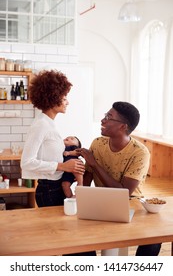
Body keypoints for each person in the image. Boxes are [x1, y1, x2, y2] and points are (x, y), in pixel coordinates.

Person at [77, 101, 161, 256]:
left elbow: (124, 193)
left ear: (123, 126)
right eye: (105, 115)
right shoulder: (97, 143)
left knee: (154, 240)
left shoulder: (140, 153)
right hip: (101, 203)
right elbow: (86, 181)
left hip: (132, 205)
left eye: (109, 117)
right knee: (75, 242)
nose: (103, 120)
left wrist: (94, 164)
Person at [20, 69, 85, 207]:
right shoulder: (41, 125)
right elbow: (26, 162)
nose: (68, 103)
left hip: (56, 187)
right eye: (64, 98)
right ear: (53, 98)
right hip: (49, 190)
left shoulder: (49, 123)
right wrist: (63, 166)